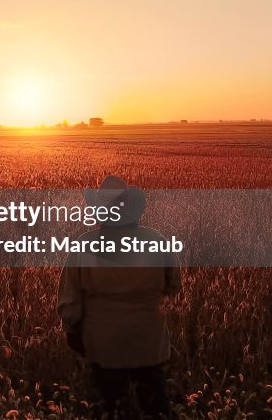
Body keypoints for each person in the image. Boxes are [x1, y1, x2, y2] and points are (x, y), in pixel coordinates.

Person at [56, 176, 183, 419]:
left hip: (103, 345)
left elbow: (70, 303)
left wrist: (73, 332)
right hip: (149, 342)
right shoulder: (157, 241)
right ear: (134, 212)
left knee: (109, 407)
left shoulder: (84, 246)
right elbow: (174, 286)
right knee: (155, 409)